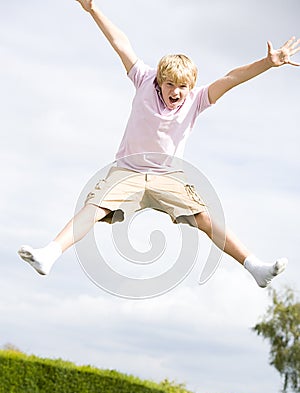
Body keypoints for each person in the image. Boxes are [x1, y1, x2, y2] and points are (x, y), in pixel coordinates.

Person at [18, 0, 300, 288]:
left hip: (168, 178)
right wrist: (93, 9)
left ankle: (255, 268)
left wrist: (267, 63)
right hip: (128, 172)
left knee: (204, 217)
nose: (175, 92)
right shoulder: (143, 79)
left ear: (190, 88)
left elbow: (231, 78)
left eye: (182, 87)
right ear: (159, 81)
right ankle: (49, 254)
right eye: (169, 85)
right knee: (94, 208)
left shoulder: (197, 100)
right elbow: (120, 43)